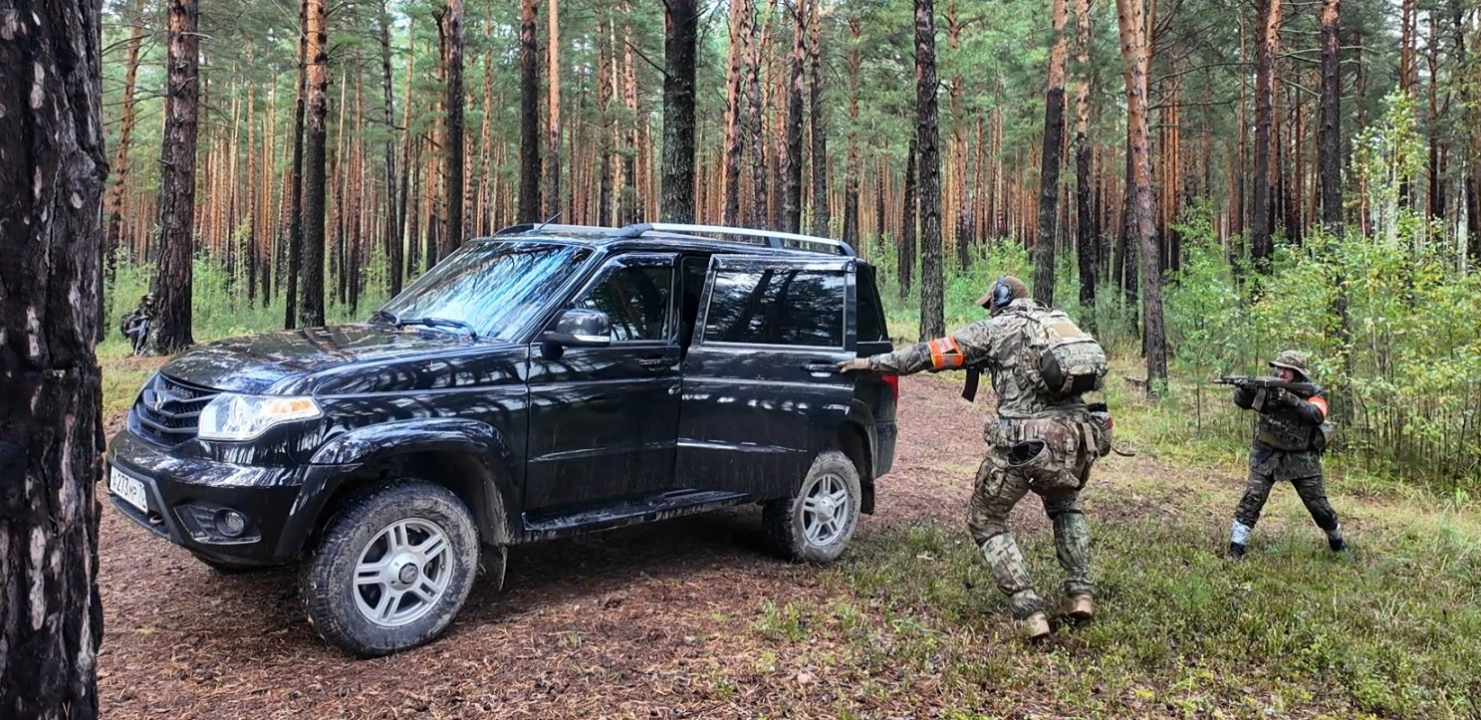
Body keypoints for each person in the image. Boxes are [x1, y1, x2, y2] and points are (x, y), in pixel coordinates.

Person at [838, 275, 1109, 640]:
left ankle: (1030, 611)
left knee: (986, 518)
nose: (990, 309)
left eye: (991, 303)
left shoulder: (995, 331)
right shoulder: (1059, 324)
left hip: (1026, 445)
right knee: (1066, 505)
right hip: (1076, 442)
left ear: (1001, 298)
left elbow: (929, 354)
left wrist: (872, 364)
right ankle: (1081, 593)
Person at [1225, 350, 1347, 559]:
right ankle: (1236, 547)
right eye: (1279, 368)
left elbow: (1317, 415)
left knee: (1319, 506)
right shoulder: (1267, 385)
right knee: (1253, 498)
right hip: (1266, 453)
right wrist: (1245, 391)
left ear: (1297, 373)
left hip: (1302, 457)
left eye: (1286, 370)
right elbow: (1242, 402)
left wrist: (1291, 400)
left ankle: (1337, 542)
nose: (1280, 373)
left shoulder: (1313, 391)